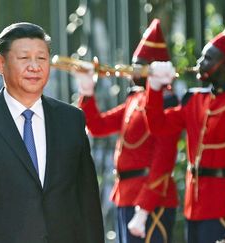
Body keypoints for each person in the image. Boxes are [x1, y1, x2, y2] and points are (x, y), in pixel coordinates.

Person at [0, 22, 104, 243]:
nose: (34, 66)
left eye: (41, 58)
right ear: (0, 64)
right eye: (24, 58)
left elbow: (88, 199)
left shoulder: (71, 119)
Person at [74, 19, 180, 243]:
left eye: (139, 65)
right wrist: (87, 90)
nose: (132, 70)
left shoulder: (166, 102)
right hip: (126, 195)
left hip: (150, 200)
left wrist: (144, 208)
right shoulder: (136, 99)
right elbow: (97, 126)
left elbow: (164, 160)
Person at [146, 23, 225, 243]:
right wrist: (154, 89)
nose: (199, 64)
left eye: (207, 59)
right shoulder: (195, 100)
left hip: (222, 210)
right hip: (193, 207)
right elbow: (158, 126)